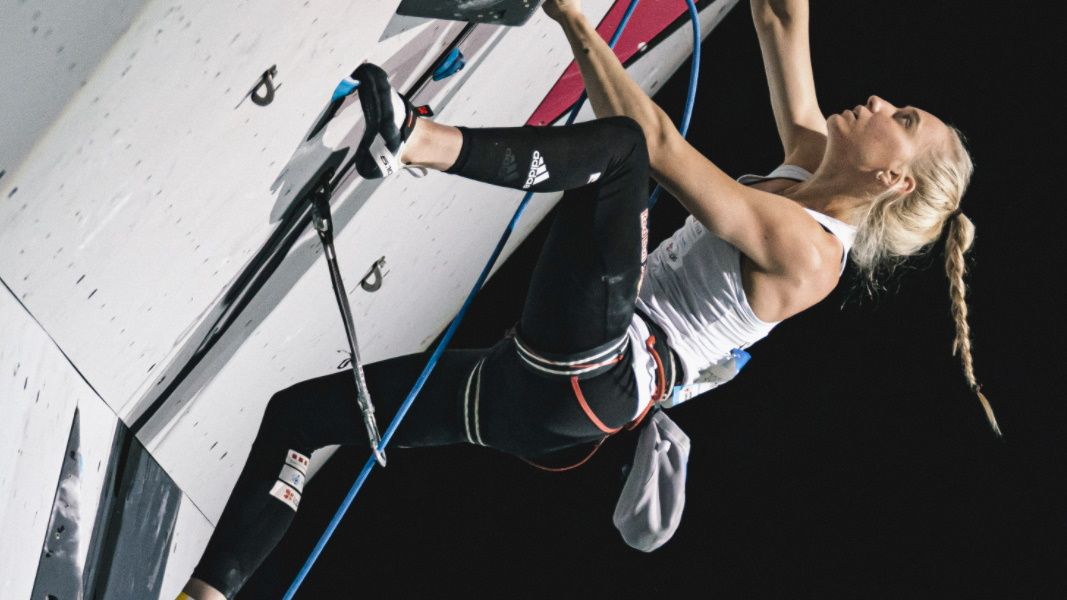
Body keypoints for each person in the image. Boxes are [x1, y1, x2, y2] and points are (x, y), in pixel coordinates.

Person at [179, 1, 993, 597]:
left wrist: (572, 16)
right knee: (302, 419)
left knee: (623, 156)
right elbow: (780, 18)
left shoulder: (811, 253)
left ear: (891, 178)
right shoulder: (812, 163)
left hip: (595, 375)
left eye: (902, 117)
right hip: (542, 397)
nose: (881, 101)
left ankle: (413, 138)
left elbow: (662, 150)